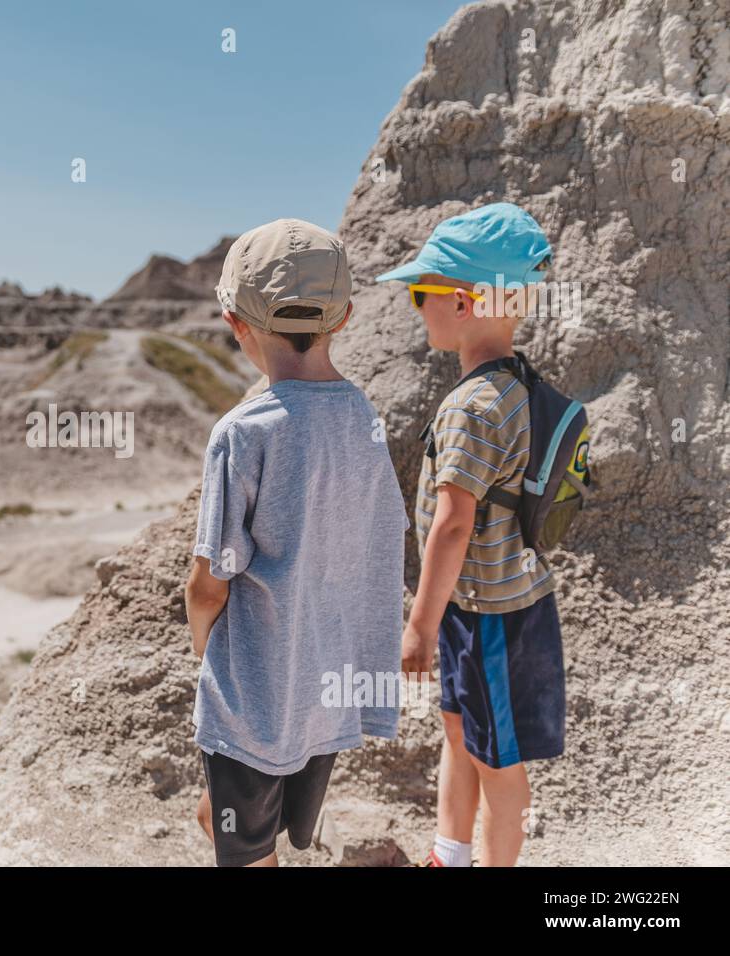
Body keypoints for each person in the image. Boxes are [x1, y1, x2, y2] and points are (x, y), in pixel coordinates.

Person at [186, 218, 408, 867]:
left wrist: (209, 656)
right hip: (326, 690)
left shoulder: (242, 433)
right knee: (239, 822)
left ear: (234, 321)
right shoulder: (362, 416)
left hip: (258, 696)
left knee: (247, 850)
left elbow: (208, 583)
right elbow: (375, 539)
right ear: (345, 317)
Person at [375, 202, 565, 867]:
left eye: (419, 292)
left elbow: (454, 524)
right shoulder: (520, 386)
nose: (413, 304)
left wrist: (420, 625)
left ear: (462, 301)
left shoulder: (471, 405)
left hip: (488, 616)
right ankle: (449, 855)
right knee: (461, 733)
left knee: (496, 762)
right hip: (493, 603)